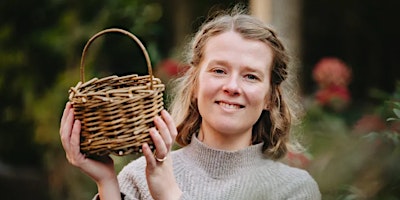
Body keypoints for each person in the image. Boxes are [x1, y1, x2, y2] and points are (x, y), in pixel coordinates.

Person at [60, 6, 321, 200]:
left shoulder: (293, 189)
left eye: (251, 76)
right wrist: (107, 182)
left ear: (269, 98)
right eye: (219, 71)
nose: (231, 87)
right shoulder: (137, 178)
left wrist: (169, 194)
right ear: (195, 85)